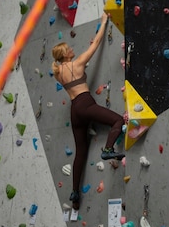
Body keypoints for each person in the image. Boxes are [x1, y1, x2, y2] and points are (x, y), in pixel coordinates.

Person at [52, 13, 125, 210]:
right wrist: (103, 22)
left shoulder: (59, 74)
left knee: (80, 153)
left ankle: (75, 195)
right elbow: (97, 43)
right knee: (118, 121)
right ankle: (108, 149)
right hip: (86, 104)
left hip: (75, 111)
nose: (72, 49)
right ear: (66, 54)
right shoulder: (78, 63)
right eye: (69, 49)